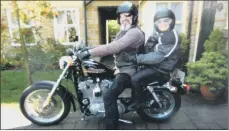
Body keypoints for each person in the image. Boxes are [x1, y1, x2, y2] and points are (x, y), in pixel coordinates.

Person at [78, 1, 145, 129]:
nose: (124, 19)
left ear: (134, 17)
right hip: (121, 67)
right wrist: (88, 48)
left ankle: (111, 125)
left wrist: (89, 52)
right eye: (121, 16)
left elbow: (115, 47)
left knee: (109, 95)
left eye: (127, 16)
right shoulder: (123, 32)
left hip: (130, 69)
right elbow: (109, 45)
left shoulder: (134, 33)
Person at [123, 8, 181, 109]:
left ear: (172, 21)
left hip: (160, 68)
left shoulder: (170, 36)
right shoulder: (163, 33)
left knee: (135, 79)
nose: (163, 23)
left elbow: (158, 57)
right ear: (156, 24)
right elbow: (149, 46)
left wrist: (136, 58)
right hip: (156, 65)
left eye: (166, 20)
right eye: (159, 21)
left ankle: (139, 101)